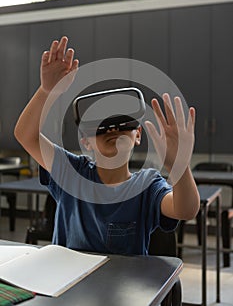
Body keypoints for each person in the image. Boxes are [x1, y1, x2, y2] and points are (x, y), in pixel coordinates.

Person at [14, 36, 200, 254]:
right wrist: (47, 91)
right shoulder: (71, 172)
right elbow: (26, 136)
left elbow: (185, 210)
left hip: (123, 284)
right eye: (101, 126)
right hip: (68, 281)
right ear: (86, 142)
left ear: (137, 135)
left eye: (122, 124)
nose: (112, 130)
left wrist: (179, 166)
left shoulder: (147, 186)